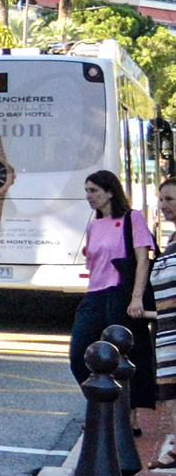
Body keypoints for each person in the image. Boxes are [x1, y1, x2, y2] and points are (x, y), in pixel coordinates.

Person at [71, 169, 155, 408]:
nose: (88, 196)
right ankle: (101, 406)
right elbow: (94, 265)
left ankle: (129, 413)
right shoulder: (94, 226)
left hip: (120, 293)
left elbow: (143, 259)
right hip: (95, 295)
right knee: (79, 355)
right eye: (86, 191)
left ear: (109, 192)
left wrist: (136, 297)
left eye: (93, 190)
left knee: (124, 355)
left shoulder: (132, 218)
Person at [154, 180, 176, 409]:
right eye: (161, 199)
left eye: (169, 199)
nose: (163, 205)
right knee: (169, 390)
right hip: (166, 328)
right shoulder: (171, 240)